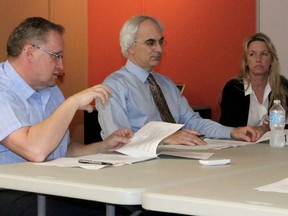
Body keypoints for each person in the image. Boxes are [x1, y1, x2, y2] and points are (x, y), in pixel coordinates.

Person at [0, 17, 133, 216]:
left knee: (124, 209)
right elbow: (35, 151)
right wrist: (72, 103)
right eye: (56, 56)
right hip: (9, 190)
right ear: (29, 53)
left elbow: (62, 150)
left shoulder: (50, 90)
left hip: (48, 186)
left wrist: (102, 147)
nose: (61, 66)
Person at [97, 15, 264, 146]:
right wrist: (164, 138)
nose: (159, 49)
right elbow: (117, 139)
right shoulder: (113, 87)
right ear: (130, 46)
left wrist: (232, 132)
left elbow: (193, 122)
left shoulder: (166, 84)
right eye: (151, 43)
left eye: (161, 42)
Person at [219, 32, 288, 130]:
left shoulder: (283, 85)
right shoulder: (233, 88)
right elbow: (228, 129)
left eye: (264, 54)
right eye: (252, 54)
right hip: (243, 144)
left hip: (275, 143)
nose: (258, 59)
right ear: (246, 61)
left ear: (272, 60)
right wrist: (262, 129)